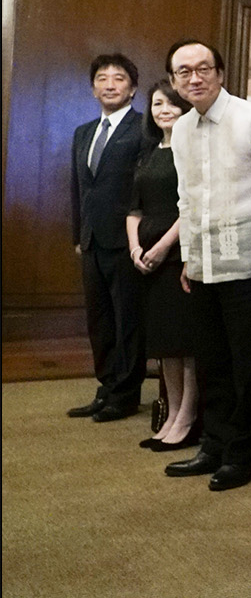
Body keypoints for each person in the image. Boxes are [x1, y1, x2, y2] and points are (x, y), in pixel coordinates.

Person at [163, 39, 251, 492]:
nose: (194, 78)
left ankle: (241, 455)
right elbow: (186, 198)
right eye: (184, 72)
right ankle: (213, 446)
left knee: (246, 364)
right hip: (203, 264)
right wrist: (188, 255)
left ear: (220, 73)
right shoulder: (182, 128)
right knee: (211, 362)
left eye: (203, 68)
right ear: (174, 81)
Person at [68, 53, 149, 423]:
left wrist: (140, 239)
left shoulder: (143, 128)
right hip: (91, 240)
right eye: (102, 78)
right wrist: (78, 235)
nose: (110, 84)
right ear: (93, 89)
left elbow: (145, 188)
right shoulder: (83, 132)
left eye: (119, 78)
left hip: (126, 240)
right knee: (98, 320)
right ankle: (106, 385)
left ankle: (126, 394)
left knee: (127, 319)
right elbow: (78, 188)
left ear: (132, 88)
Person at [127, 79, 203, 450]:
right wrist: (134, 249)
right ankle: (172, 415)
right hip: (147, 260)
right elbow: (134, 209)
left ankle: (188, 418)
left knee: (185, 342)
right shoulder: (147, 153)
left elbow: (192, 207)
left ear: (185, 108)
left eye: (172, 103)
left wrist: (161, 247)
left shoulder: (193, 150)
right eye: (157, 104)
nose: (164, 110)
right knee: (164, 344)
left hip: (177, 255)